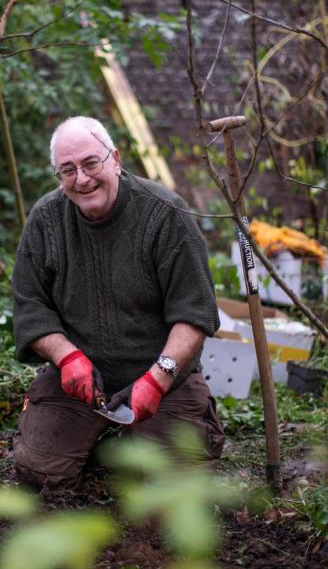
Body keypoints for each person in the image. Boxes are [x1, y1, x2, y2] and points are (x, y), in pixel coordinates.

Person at [12, 116, 224, 490]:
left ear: (116, 158)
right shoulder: (46, 220)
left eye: (92, 163)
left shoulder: (166, 214)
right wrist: (65, 356)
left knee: (175, 485)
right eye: (67, 170)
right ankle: (95, 435)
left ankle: (144, 432)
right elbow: (30, 305)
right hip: (78, 383)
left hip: (162, 378)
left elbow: (195, 313)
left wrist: (159, 378)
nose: (82, 179)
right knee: (39, 470)